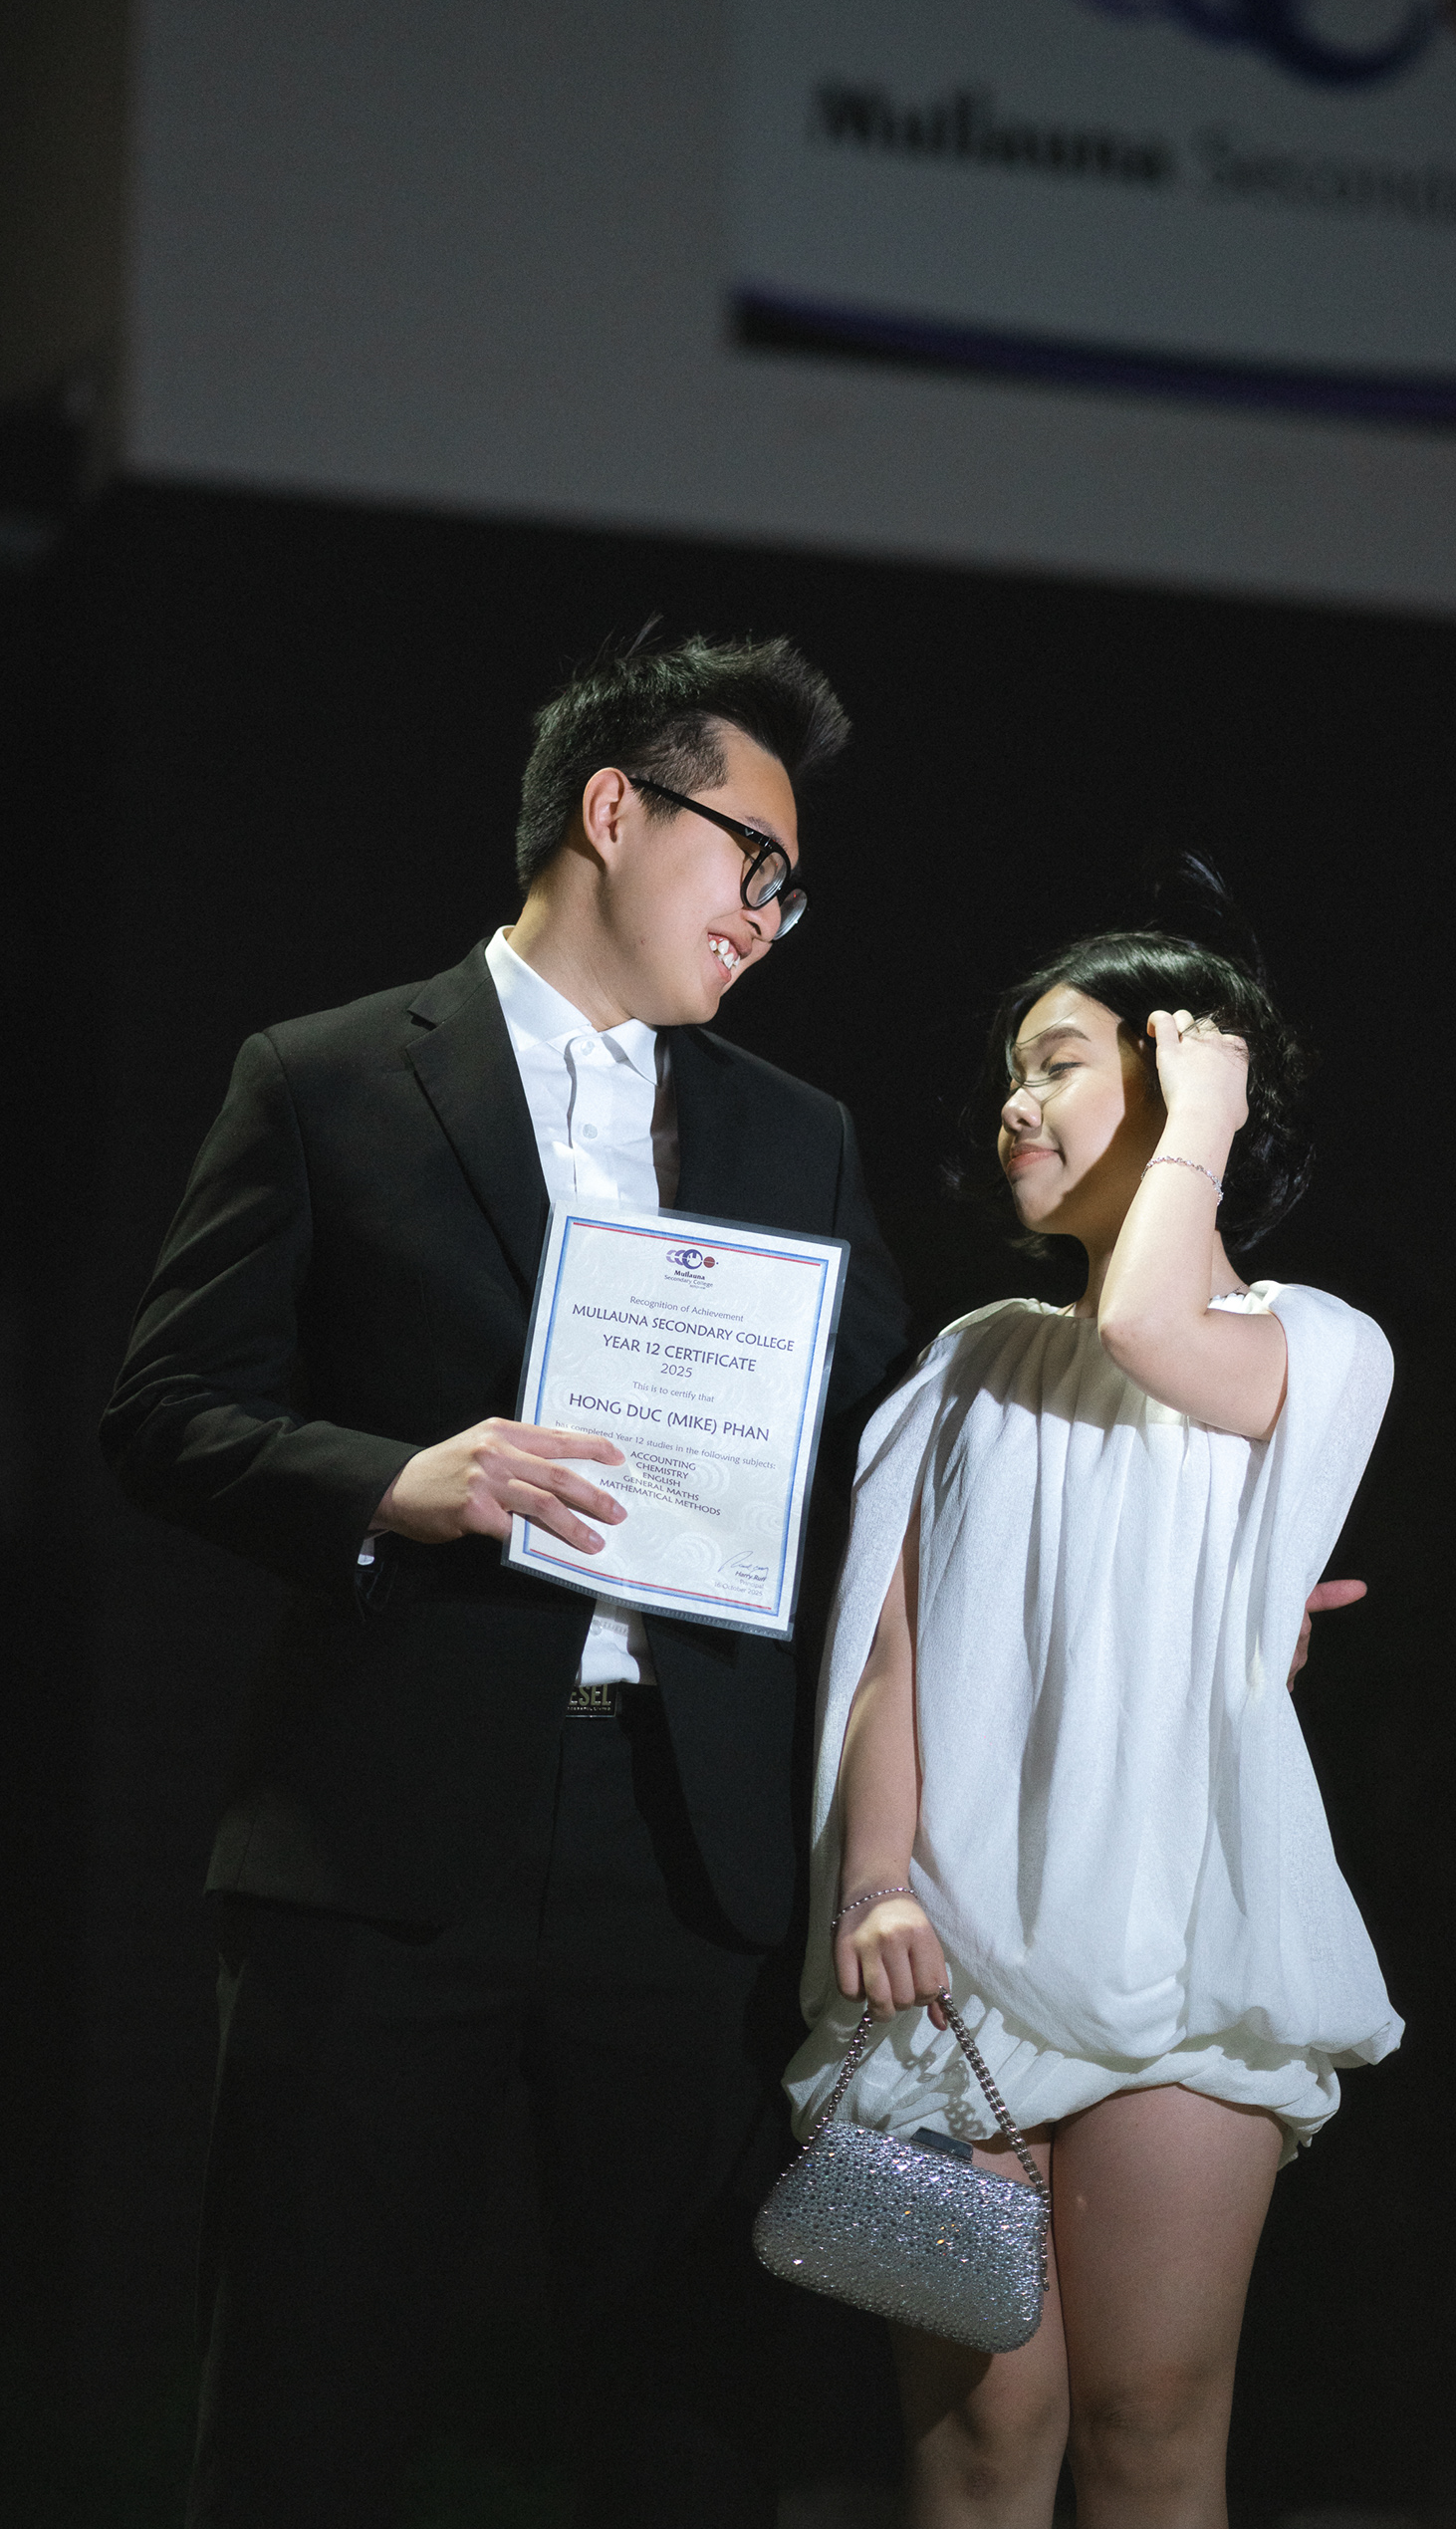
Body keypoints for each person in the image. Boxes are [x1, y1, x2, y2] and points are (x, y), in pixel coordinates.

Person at [100, 632, 912, 2529]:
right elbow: (164, 1412)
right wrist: (398, 1483)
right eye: (754, 862)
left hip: (691, 1857)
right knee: (302, 2406)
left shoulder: (794, 1133)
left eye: (793, 890)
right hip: (379, 1840)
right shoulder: (325, 1077)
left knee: (688, 2430)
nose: (770, 918)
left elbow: (899, 1448)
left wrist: (1183, 1568)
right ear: (614, 811)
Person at [785, 908, 1401, 2529]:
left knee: (1151, 2422)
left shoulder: (1319, 1345)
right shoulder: (970, 1362)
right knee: (974, 2440)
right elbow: (890, 1649)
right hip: (941, 1973)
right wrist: (876, 1880)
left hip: (1192, 1959)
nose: (1013, 1103)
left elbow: (1147, 1330)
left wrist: (1205, 1117)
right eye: (1012, 1072)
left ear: (1189, 1084)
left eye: (1056, 1064)